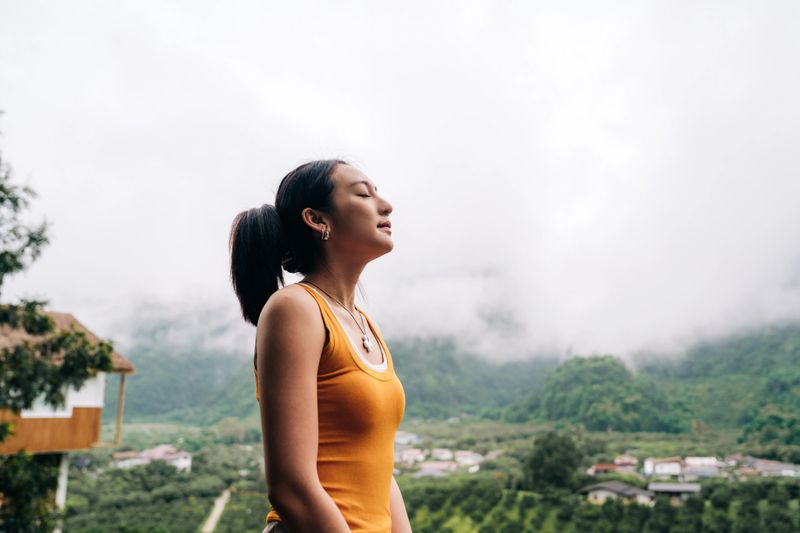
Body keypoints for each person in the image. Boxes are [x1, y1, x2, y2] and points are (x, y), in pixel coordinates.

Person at [229, 159, 412, 533]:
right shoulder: (295, 308)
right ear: (317, 219)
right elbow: (290, 486)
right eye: (363, 193)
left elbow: (377, 466)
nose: (385, 205)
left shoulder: (364, 323)